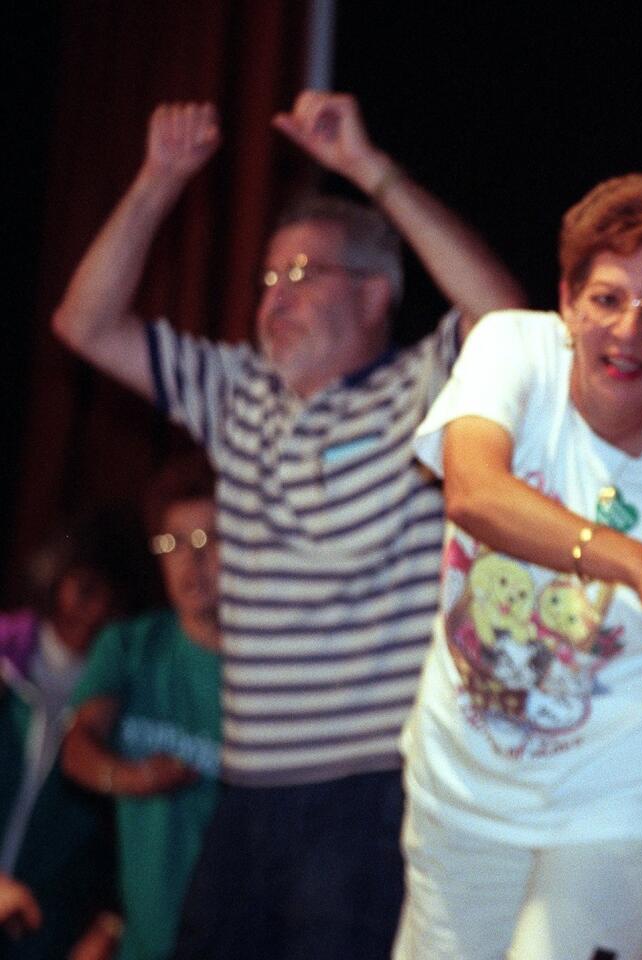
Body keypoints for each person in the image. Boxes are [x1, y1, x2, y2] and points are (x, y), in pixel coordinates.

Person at [51, 93, 524, 959]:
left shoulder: (421, 389)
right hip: (249, 790)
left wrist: (371, 171)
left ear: (377, 294)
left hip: (371, 791)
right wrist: (157, 182)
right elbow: (83, 323)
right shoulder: (237, 397)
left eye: (303, 276)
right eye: (268, 280)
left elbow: (506, 317)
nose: (274, 299)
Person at [395, 173, 642, 960]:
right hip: (460, 790)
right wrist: (641, 565)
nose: (628, 332)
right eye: (608, 299)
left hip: (621, 810)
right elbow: (474, 494)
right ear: (568, 302)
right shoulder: (515, 348)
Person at [61, 453, 222, 960]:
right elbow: (78, 748)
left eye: (208, 540)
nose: (191, 561)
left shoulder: (271, 673)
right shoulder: (132, 646)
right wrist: (133, 778)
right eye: (174, 543)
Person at [0, 513, 137, 959]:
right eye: (85, 590)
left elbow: (122, 846)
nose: (95, 612)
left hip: (46, 935)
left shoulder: (123, 702)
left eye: (111, 603)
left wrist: (108, 926)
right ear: (54, 577)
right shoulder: (6, 659)